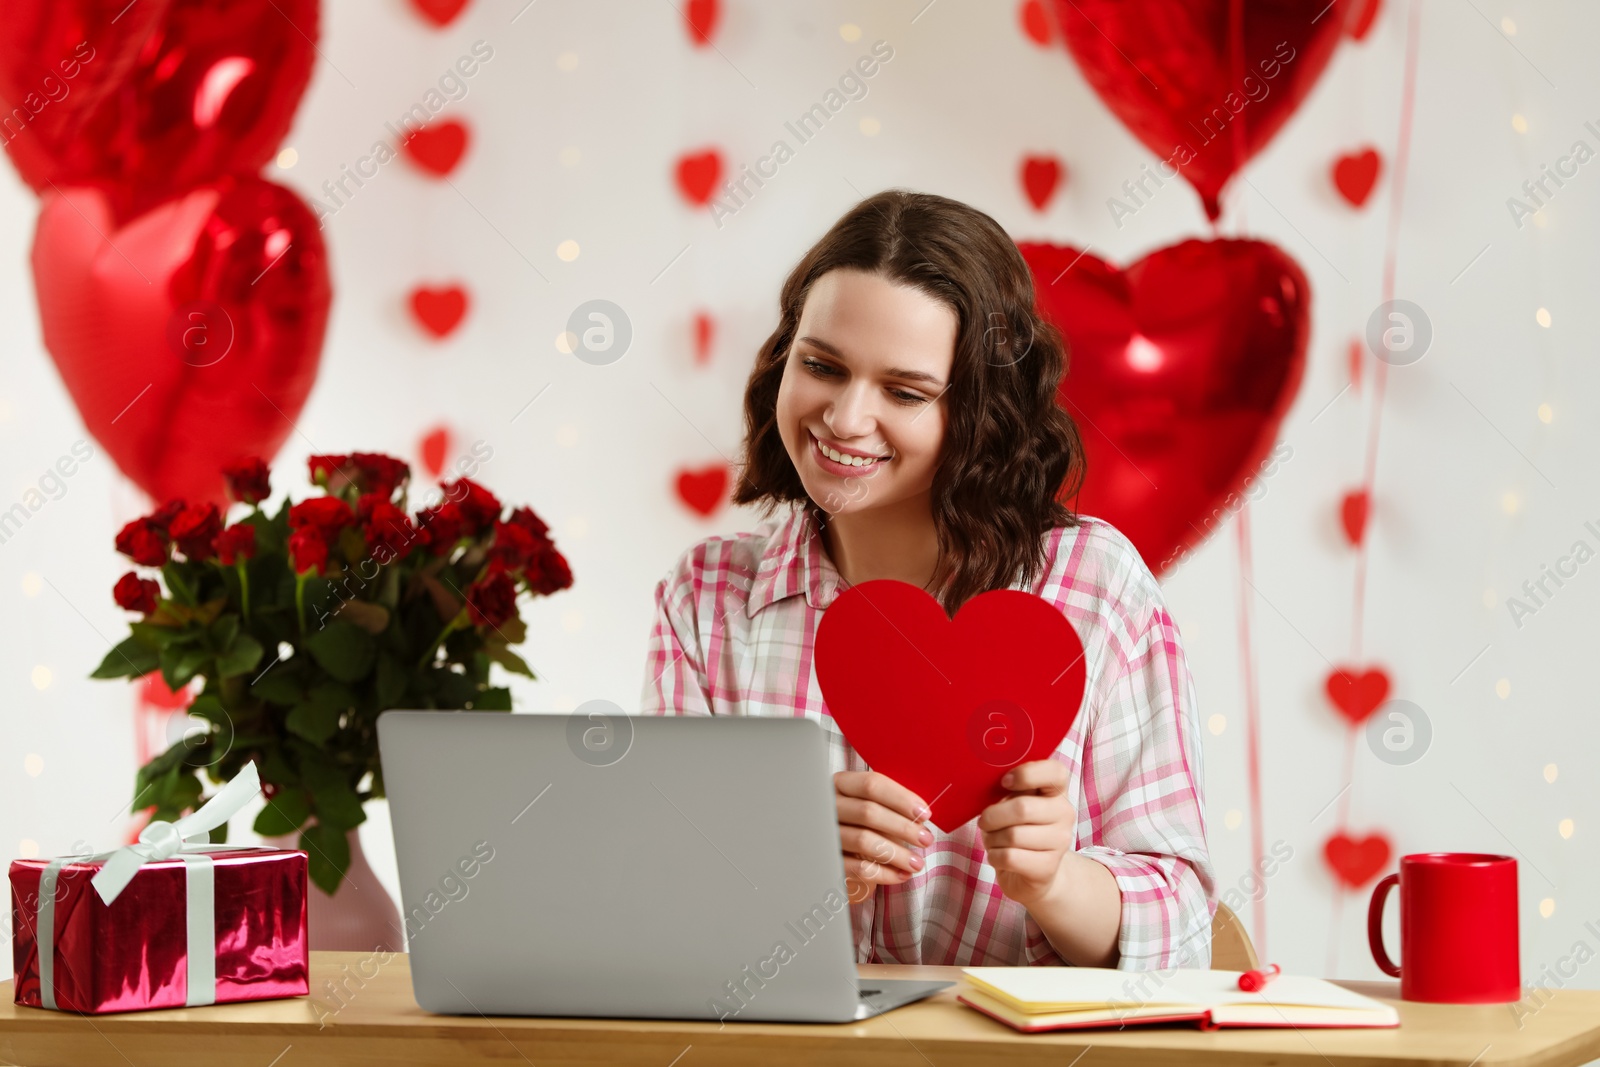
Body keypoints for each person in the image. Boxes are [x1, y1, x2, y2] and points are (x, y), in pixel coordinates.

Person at [640, 189, 1215, 970]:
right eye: (821, 365)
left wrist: (1054, 879)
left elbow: (1183, 927)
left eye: (905, 392)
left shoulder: (1097, 588)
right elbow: (657, 907)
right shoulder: (706, 601)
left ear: (981, 411)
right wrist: (781, 865)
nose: (844, 418)